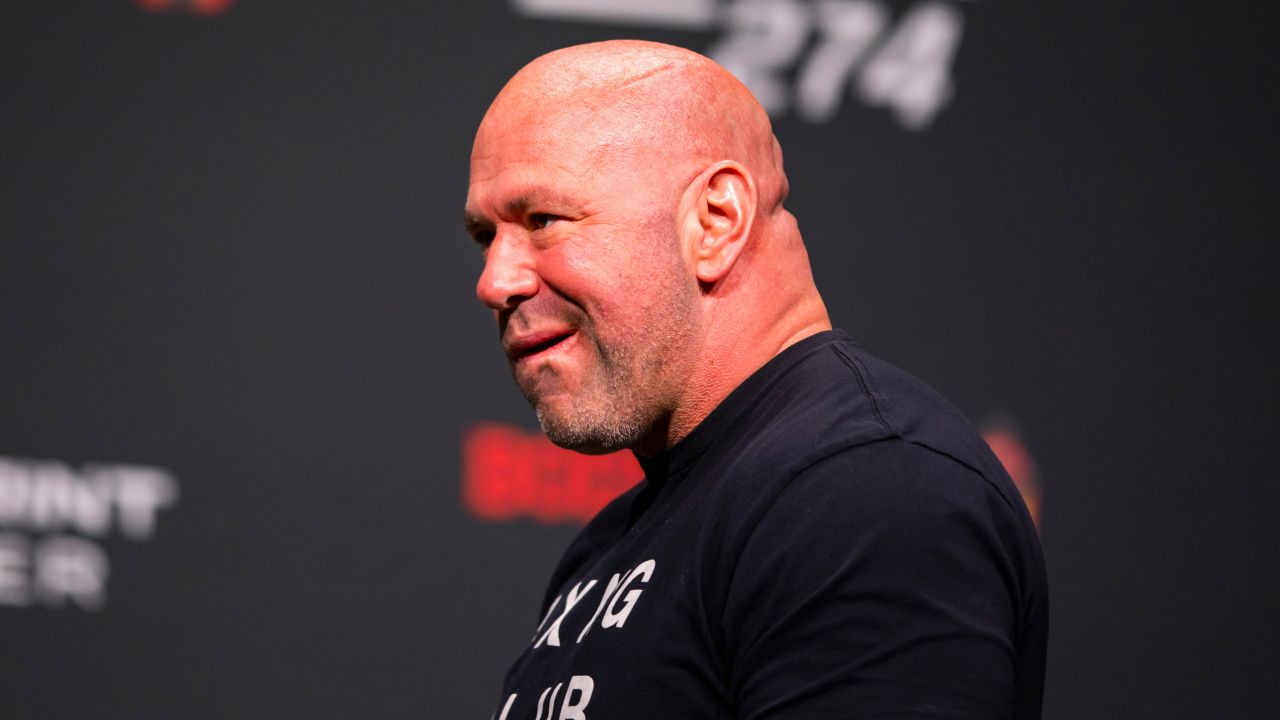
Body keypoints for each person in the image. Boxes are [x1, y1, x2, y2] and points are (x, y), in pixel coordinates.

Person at [464, 40, 1047, 720]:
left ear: (716, 221)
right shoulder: (615, 541)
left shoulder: (866, 491)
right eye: (486, 237)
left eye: (543, 221)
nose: (494, 281)